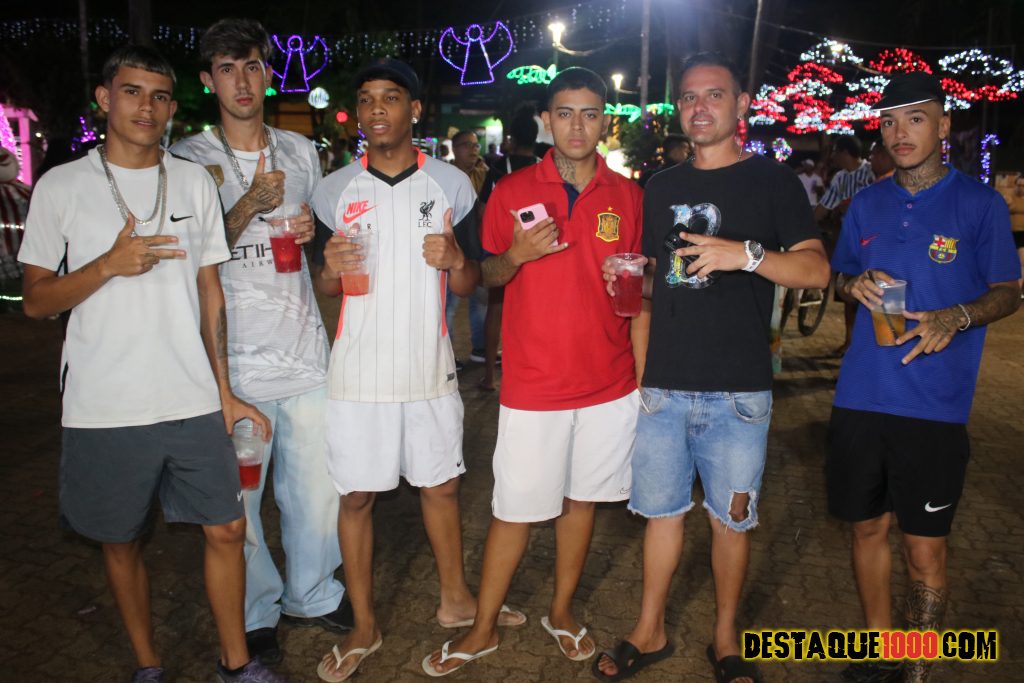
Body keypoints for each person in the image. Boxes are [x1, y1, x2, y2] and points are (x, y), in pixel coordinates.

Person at [18, 44, 283, 683]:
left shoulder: (192, 181)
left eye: (160, 96)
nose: (147, 106)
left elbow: (210, 292)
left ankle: (236, 664)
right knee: (120, 542)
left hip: (191, 396)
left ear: (171, 108)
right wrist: (107, 265)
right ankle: (147, 665)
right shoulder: (62, 186)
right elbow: (35, 301)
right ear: (104, 98)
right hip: (104, 403)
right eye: (132, 91)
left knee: (227, 528)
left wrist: (226, 392)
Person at [595, 52, 830, 683]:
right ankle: (650, 627)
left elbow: (815, 270)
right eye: (689, 97)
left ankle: (726, 638)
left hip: (738, 391)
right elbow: (659, 285)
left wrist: (745, 254)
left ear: (742, 104)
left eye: (715, 95)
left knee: (731, 521)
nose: (699, 108)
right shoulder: (660, 187)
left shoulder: (773, 182)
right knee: (661, 515)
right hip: (666, 386)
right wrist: (630, 284)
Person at [424, 66, 645, 677]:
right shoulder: (512, 189)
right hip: (535, 382)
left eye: (590, 113)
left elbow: (644, 278)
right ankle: (482, 628)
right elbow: (485, 274)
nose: (577, 125)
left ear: (605, 121)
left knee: (582, 502)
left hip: (609, 381)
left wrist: (640, 288)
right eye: (565, 113)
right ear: (547, 121)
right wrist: (516, 255)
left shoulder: (628, 196)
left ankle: (561, 611)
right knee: (515, 509)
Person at [309, 58, 518, 682]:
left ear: (415, 110)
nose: (377, 108)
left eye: (391, 97)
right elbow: (326, 285)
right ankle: (364, 626)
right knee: (355, 497)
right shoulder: (332, 191)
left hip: (429, 368)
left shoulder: (453, 186)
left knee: (442, 487)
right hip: (357, 374)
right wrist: (329, 268)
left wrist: (456, 259)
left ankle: (456, 601)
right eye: (366, 98)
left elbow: (471, 281)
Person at [827, 71, 1021, 683]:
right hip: (861, 396)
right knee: (865, 528)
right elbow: (839, 276)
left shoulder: (980, 204)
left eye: (915, 118)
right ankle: (879, 649)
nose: (900, 132)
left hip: (934, 405)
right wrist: (852, 284)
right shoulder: (867, 203)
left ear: (943, 126)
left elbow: (1009, 290)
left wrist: (955, 316)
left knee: (924, 547)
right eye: (889, 121)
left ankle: (916, 668)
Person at [169, 18, 349, 667]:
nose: (241, 81)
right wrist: (247, 204)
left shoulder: (300, 150)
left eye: (251, 66)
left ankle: (312, 591)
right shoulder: (187, 159)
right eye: (226, 69)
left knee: (317, 490)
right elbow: (184, 255)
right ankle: (255, 611)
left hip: (303, 350)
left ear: (269, 73)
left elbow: (318, 239)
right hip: (234, 364)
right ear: (207, 80)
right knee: (238, 501)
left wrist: (310, 233)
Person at [476, 108, 542, 390]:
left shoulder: (498, 167)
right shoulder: (543, 166)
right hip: (535, 244)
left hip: (502, 245)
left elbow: (483, 209)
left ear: (512, 137)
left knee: (495, 309)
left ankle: (490, 375)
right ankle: (530, 366)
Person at [446, 129, 489, 367]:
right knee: (448, 306)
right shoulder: (446, 177)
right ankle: (448, 357)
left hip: (479, 247)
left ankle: (480, 349)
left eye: (476, 145)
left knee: (480, 302)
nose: (473, 150)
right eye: (467, 145)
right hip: (454, 249)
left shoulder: (485, 174)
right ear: (454, 149)